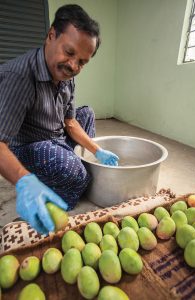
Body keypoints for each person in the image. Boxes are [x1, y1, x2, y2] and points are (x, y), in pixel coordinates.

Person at [0, 4, 119, 235]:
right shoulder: (20, 77)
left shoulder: (66, 76)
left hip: (56, 136)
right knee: (79, 177)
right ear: (51, 36)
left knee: (87, 113)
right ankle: (59, 187)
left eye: (82, 62)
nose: (73, 66)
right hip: (30, 146)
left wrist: (97, 150)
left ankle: (72, 167)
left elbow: (71, 122)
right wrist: (23, 180)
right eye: (70, 52)